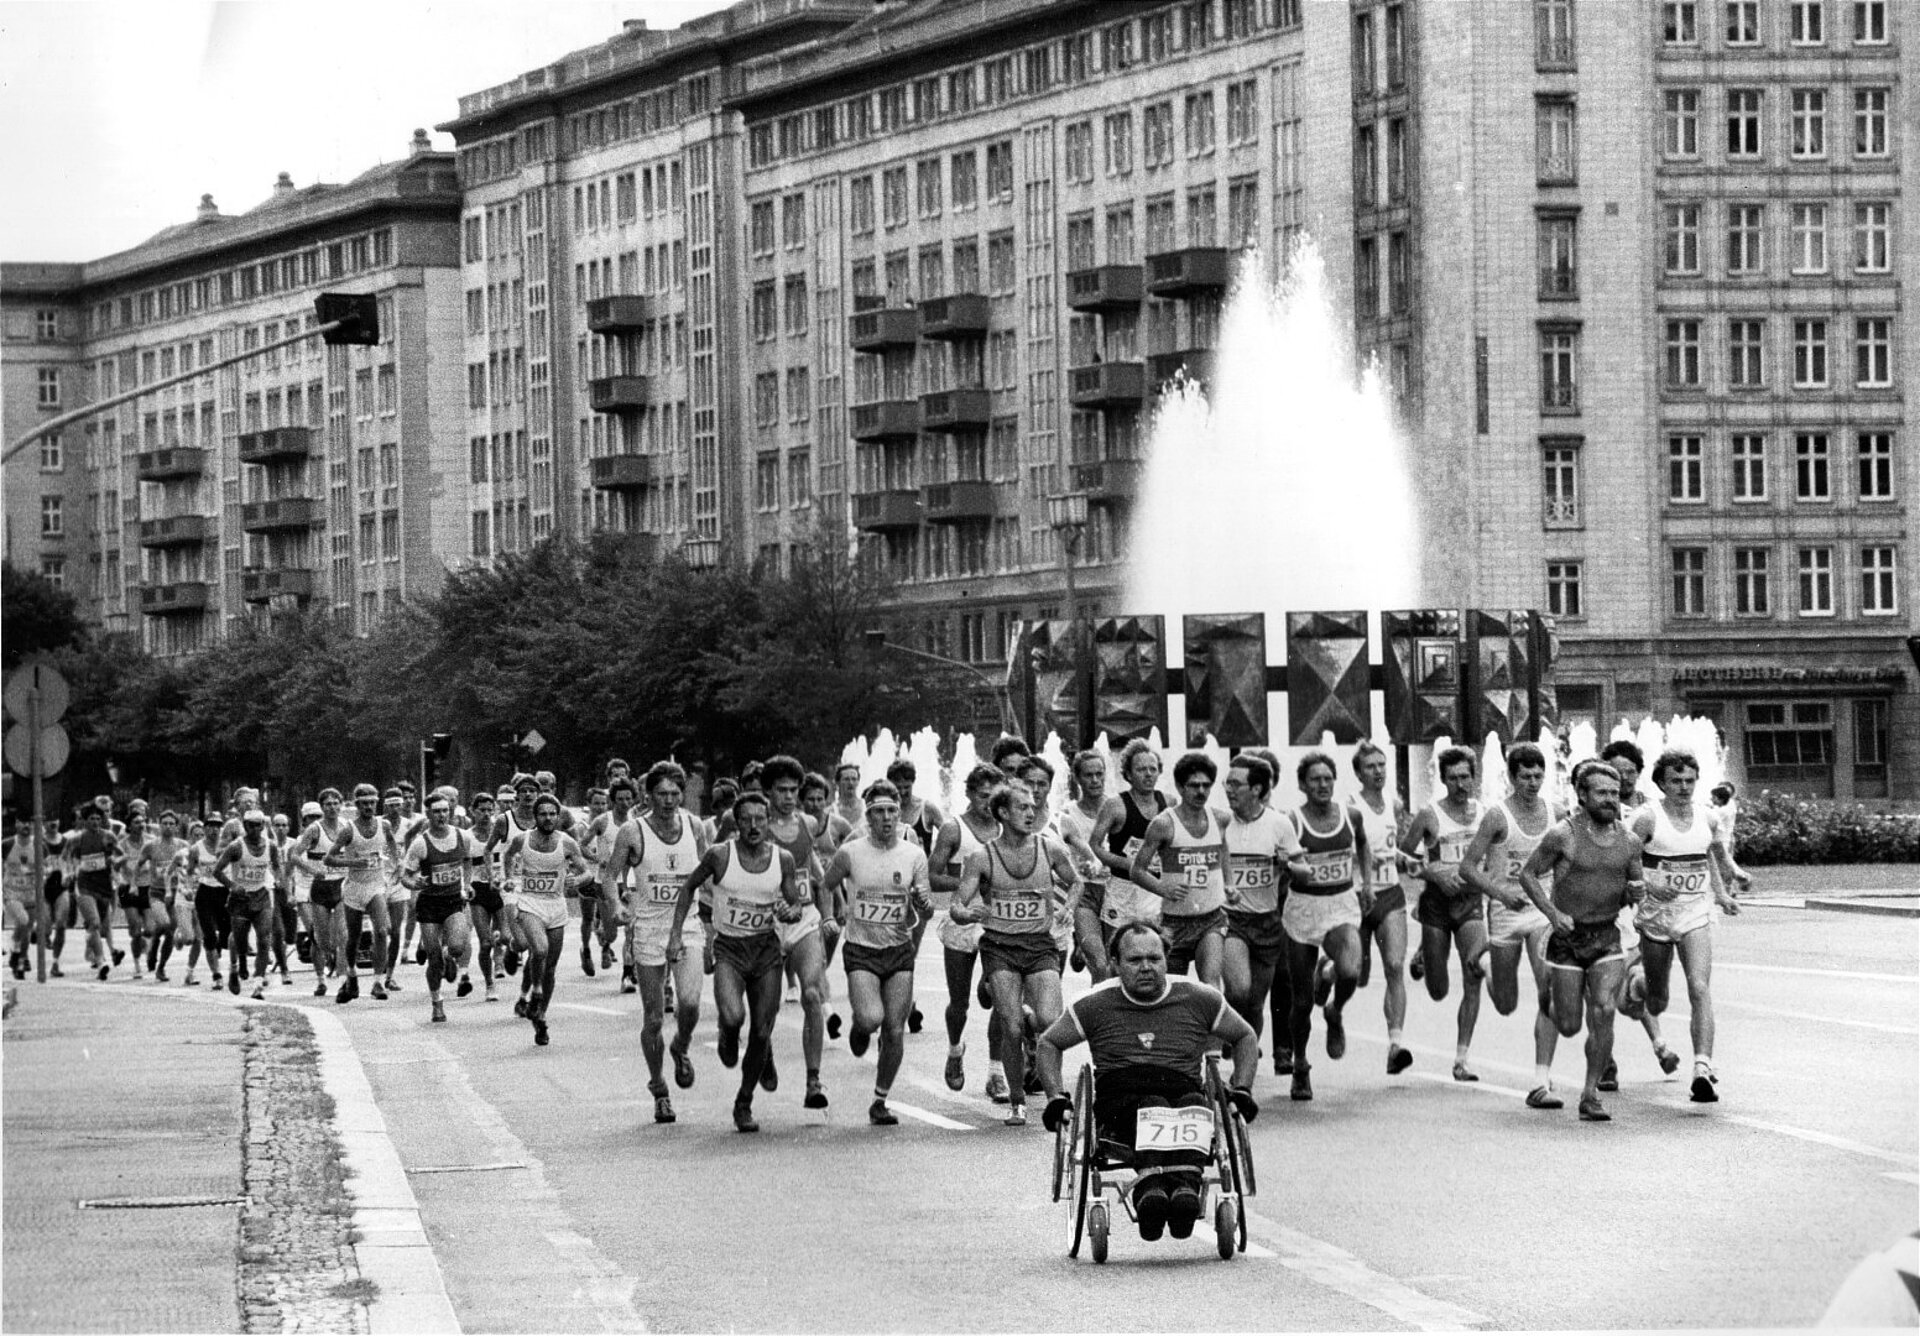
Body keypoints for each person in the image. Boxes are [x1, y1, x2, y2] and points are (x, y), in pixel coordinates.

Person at [1037, 921, 1260, 1242]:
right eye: (1135, 960)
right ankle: (1151, 1190)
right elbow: (1048, 1043)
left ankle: (1185, 1188)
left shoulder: (1199, 998)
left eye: (1154, 959)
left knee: (1194, 1105)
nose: (1146, 968)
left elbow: (1245, 1036)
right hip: (1121, 1100)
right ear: (1115, 964)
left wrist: (1242, 1089)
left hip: (1183, 1091)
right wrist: (1055, 1097)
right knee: (1153, 1106)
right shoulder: (1095, 1004)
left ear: (1167, 959)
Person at [1519, 760, 1647, 1122]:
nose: (1611, 799)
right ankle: (1554, 1007)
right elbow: (1529, 875)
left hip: (1606, 936)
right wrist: (1551, 913)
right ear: (1582, 795)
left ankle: (1590, 1094)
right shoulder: (1564, 835)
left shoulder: (1630, 841)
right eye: (1602, 793)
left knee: (1604, 1010)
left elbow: (1634, 890)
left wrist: (1640, 892)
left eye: (1614, 792)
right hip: (1568, 937)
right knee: (1570, 1023)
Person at [670, 791, 804, 1132]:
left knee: (761, 1029)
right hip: (729, 949)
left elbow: (794, 901)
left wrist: (792, 909)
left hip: (765, 952)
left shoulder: (783, 859)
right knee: (733, 1016)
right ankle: (729, 1034)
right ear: (736, 822)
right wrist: (675, 935)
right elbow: (687, 889)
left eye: (761, 819)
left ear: (769, 822)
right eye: (747, 819)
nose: (754, 825)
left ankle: (743, 1102)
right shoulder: (719, 855)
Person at [952, 779, 1079, 1127]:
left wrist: (1068, 907)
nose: (1032, 812)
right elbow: (957, 905)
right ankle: (1018, 1102)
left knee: (1051, 1021)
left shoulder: (1050, 849)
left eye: (1034, 806)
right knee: (1009, 1027)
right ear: (1003, 813)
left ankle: (1054, 1094)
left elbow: (1077, 881)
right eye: (1023, 807)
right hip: (1000, 948)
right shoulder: (981, 857)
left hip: (1039, 946)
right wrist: (968, 913)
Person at [1630, 747, 1743, 1104]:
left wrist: (1722, 893)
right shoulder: (1646, 818)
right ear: (1661, 782)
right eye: (1675, 780)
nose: (1683, 786)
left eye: (1689, 780)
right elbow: (1622, 857)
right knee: (1658, 998)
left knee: (1699, 987)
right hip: (1656, 915)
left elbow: (1707, 854)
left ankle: (1702, 1069)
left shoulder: (1707, 817)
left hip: (1695, 912)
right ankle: (1637, 985)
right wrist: (1648, 884)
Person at [819, 780, 933, 1126]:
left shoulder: (914, 855)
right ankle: (859, 1027)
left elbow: (925, 906)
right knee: (871, 1019)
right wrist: (827, 916)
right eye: (878, 812)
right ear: (868, 816)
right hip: (862, 949)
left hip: (898, 950)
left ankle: (880, 1100)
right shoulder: (851, 852)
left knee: (895, 1030)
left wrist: (923, 905)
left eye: (891, 812)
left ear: (900, 816)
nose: (885, 818)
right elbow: (826, 886)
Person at [1460, 743, 1566, 1109]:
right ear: (1511, 776)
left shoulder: (1557, 812)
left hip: (1541, 912)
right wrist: (1500, 895)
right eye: (1525, 776)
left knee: (1547, 990)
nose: (1533, 782)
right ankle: (1485, 964)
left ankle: (1540, 1080)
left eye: (1538, 775)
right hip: (1506, 912)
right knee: (1505, 1004)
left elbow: (1567, 861)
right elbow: (1468, 867)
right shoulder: (1497, 816)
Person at [603, 761, 709, 1124]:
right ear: (648, 795)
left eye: (675, 794)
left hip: (689, 927)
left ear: (683, 795)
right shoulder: (633, 832)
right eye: (661, 794)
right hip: (648, 929)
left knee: (691, 1004)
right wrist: (616, 905)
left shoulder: (694, 826)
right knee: (652, 1018)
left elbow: (709, 875)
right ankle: (659, 1087)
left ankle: (681, 1047)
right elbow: (610, 875)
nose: (668, 800)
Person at [1280, 752, 1373, 1100]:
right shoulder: (1292, 821)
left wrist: (1366, 883)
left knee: (1351, 970)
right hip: (1304, 910)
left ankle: (1335, 1010)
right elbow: (1281, 857)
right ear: (1303, 784)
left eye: (1327, 778)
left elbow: (1363, 843)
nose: (1322, 785)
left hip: (1341, 905)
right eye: (1315, 779)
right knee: (1302, 1002)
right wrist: (1287, 865)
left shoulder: (1351, 816)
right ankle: (1301, 1066)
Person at [1400, 746, 1489, 1082]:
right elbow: (1403, 857)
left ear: (1474, 777)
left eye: (1465, 776)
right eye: (1452, 778)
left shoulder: (1484, 813)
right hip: (1437, 906)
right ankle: (1425, 953)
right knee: (1438, 989)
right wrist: (1432, 872)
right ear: (1443, 780)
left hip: (1470, 904)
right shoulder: (1429, 815)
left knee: (1474, 974)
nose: (1460, 784)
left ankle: (1461, 1059)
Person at [926, 763, 1010, 1098]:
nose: (986, 802)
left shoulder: (1008, 830)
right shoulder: (953, 829)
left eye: (992, 796)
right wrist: (969, 881)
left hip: (995, 922)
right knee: (958, 1002)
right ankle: (955, 1050)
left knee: (1000, 996)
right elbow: (933, 876)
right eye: (980, 795)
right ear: (969, 794)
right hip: (962, 919)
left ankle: (996, 1071)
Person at [1220, 754, 1310, 1060]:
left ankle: (1241, 1066)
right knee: (1238, 991)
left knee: (1255, 1002)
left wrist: (1289, 865)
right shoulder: (1220, 822)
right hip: (1231, 919)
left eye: (1236, 784)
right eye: (1227, 783)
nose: (1228, 789)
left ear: (1256, 789)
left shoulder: (1279, 824)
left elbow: (1304, 870)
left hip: (1268, 921)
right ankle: (1230, 1033)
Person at [764, 754, 834, 1109]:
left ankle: (813, 1080)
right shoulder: (756, 826)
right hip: (766, 920)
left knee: (811, 995)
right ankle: (765, 1049)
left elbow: (818, 873)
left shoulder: (807, 823)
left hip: (804, 917)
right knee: (766, 1007)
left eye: (794, 790)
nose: (789, 797)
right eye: (782, 790)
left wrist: (828, 914)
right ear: (768, 792)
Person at [1129, 752, 1230, 989]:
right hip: (1174, 924)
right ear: (1180, 787)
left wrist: (1230, 884)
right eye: (1194, 785)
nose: (1201, 792)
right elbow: (1137, 870)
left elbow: (1224, 852)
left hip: (1211, 919)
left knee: (1211, 987)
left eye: (1206, 785)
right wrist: (1162, 888)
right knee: (1171, 990)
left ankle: (1209, 1026)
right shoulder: (1164, 824)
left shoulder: (1220, 819)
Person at [501, 794, 592, 1045]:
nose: (548, 818)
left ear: (558, 815)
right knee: (539, 949)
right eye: (543, 814)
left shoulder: (567, 843)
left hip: (557, 906)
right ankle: (536, 991)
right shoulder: (523, 840)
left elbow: (585, 872)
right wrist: (509, 878)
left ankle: (540, 1017)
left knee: (550, 967)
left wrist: (578, 880)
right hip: (530, 903)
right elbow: (507, 856)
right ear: (536, 816)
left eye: (553, 814)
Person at [1351, 743, 1413, 1074]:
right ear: (1359, 772)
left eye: (1382, 765)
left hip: (1390, 894)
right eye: (1371, 766)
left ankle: (1395, 1045)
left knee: (1394, 965)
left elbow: (1394, 848)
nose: (1378, 771)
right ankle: (1333, 1007)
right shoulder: (1350, 807)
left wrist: (1408, 860)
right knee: (1353, 975)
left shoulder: (1394, 803)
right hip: (1358, 898)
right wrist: (1360, 879)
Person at [402, 793, 482, 1024]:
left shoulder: (463, 837)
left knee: (457, 946)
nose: (442, 815)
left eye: (445, 810)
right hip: (429, 905)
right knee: (433, 959)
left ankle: (450, 955)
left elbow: (467, 862)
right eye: (436, 811)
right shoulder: (420, 844)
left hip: (453, 901)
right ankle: (437, 1002)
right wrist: (413, 883)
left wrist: (466, 885)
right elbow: (405, 877)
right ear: (427, 814)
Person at [321, 784, 400, 1003]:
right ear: (357, 805)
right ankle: (352, 975)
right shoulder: (348, 830)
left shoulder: (383, 826)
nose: (369, 807)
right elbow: (328, 859)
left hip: (376, 885)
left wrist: (397, 865)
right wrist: (354, 862)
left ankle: (377, 981)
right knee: (353, 937)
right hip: (354, 888)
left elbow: (392, 845)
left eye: (372, 803)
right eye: (364, 803)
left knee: (383, 931)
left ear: (377, 803)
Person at [1058, 750, 1116, 983]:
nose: (1095, 780)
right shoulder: (1067, 814)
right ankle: (1083, 942)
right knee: (1101, 967)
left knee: (1114, 966)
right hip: (1085, 893)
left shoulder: (1117, 809)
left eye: (1099, 774)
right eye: (1088, 775)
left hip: (1116, 891)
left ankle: (1082, 946)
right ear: (1077, 778)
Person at [212, 809, 282, 999]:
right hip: (240, 899)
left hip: (261, 895)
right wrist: (232, 885)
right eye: (251, 825)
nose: (255, 829)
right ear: (245, 826)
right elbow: (217, 871)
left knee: (263, 938)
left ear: (263, 826)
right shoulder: (236, 846)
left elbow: (277, 865)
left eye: (259, 824)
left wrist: (280, 878)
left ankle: (258, 983)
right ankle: (236, 966)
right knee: (241, 941)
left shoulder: (271, 846)